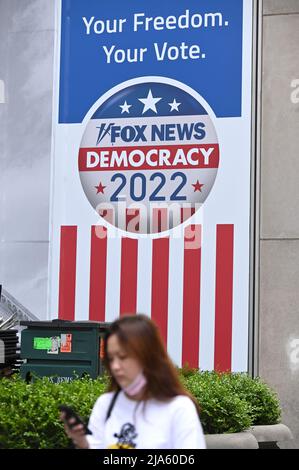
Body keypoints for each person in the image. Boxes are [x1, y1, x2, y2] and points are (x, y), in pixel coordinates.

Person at [60, 314, 206, 449]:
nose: (115, 366)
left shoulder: (179, 408)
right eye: (111, 359)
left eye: (123, 357)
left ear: (147, 356)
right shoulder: (105, 404)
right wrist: (83, 443)